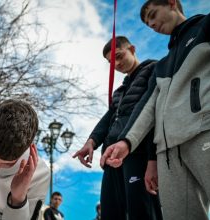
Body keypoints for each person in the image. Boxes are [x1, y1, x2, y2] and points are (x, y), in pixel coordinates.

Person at [101, 1, 210, 219]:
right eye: (147, 23)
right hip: (168, 155)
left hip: (207, 132)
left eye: (153, 15)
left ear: (172, 3)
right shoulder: (162, 66)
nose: (152, 24)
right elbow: (148, 106)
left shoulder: (209, 23)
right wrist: (126, 142)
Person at [73, 36, 162, 220]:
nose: (117, 64)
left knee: (141, 213)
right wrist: (92, 141)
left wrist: (153, 158)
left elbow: (154, 114)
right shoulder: (119, 91)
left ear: (132, 48)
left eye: (119, 56)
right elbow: (108, 118)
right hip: (111, 157)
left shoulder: (154, 69)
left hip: (138, 154)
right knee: (110, 213)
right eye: (111, 62)